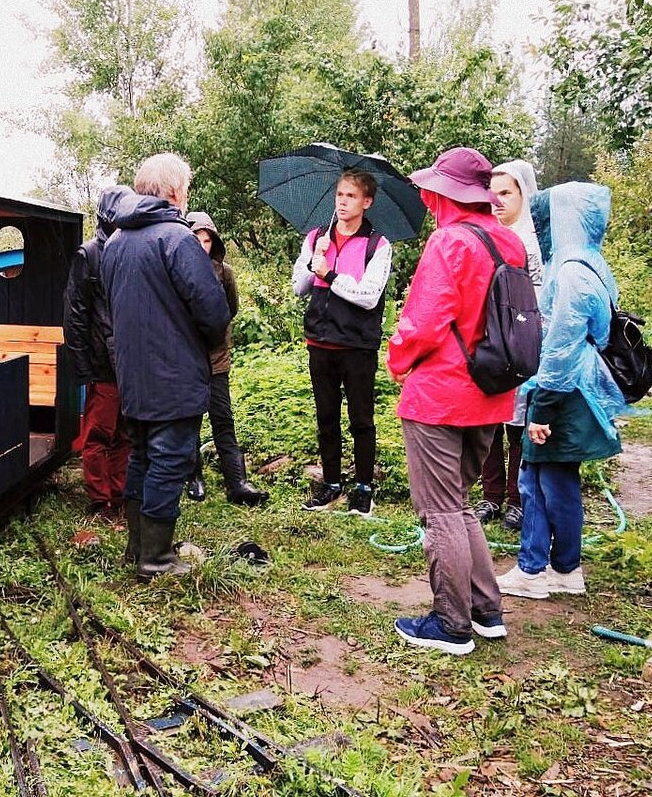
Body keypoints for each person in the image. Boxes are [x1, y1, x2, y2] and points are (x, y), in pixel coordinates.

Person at [385, 147, 527, 655]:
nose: (426, 196)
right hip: (490, 392)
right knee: (460, 504)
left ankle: (451, 624)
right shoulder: (508, 241)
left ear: (446, 193)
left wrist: (396, 359)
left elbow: (423, 322)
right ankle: (487, 611)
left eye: (432, 188)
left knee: (440, 511)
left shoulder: (449, 242)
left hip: (440, 396)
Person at [100, 153, 232, 580]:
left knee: (141, 456)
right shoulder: (177, 240)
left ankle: (138, 549)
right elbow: (213, 312)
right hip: (173, 375)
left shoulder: (115, 242)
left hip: (133, 375)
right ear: (177, 192)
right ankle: (156, 559)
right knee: (170, 459)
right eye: (187, 187)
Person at [496, 182, 628, 600]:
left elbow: (561, 347)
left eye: (549, 216)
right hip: (573, 391)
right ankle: (564, 567)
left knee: (540, 481)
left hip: (565, 394)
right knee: (554, 479)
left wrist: (542, 410)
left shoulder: (571, 272)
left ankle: (535, 570)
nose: (543, 224)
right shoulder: (587, 262)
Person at [291, 170, 393, 517]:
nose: (343, 202)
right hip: (320, 341)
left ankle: (364, 488)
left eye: (351, 196)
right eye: (339, 195)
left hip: (357, 344)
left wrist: (331, 275)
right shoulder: (318, 237)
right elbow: (298, 287)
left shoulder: (378, 244)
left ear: (367, 202)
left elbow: (368, 296)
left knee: (361, 418)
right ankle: (331, 483)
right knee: (326, 417)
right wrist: (312, 260)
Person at [474, 160, 542, 531]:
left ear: (522, 194)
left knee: (518, 424)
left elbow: (539, 300)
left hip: (520, 341)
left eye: (506, 193)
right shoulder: (487, 234)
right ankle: (490, 495)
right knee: (489, 422)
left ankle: (516, 499)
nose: (497, 201)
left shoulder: (531, 242)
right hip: (489, 340)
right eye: (493, 193)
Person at [183, 211, 269, 506]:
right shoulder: (176, 269)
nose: (202, 245)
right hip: (187, 357)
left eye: (207, 240)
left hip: (217, 356)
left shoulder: (225, 272)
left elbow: (231, 308)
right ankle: (193, 477)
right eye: (197, 239)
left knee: (222, 418)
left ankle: (237, 482)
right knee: (190, 419)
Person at [63, 185, 134, 528]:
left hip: (131, 360)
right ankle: (99, 499)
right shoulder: (88, 254)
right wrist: (83, 367)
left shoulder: (131, 248)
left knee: (125, 432)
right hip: (103, 363)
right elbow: (75, 313)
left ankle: (118, 495)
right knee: (98, 433)